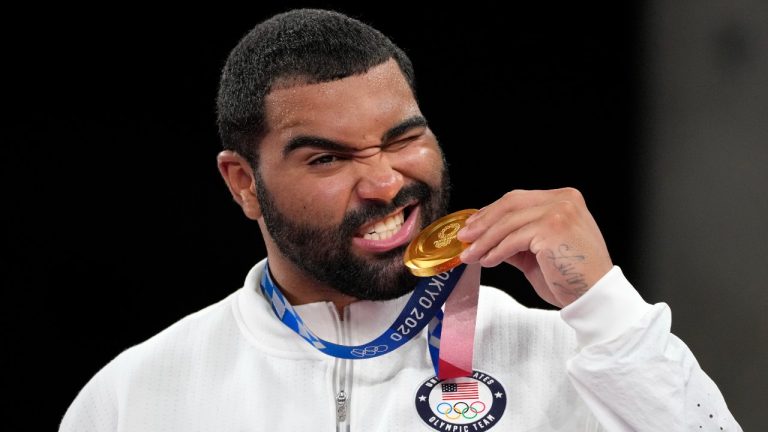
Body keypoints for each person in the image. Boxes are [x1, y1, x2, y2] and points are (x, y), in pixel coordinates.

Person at [59, 8, 742, 432]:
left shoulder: (572, 356)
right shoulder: (138, 394)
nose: (385, 181)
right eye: (328, 159)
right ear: (245, 184)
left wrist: (605, 309)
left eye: (401, 139)